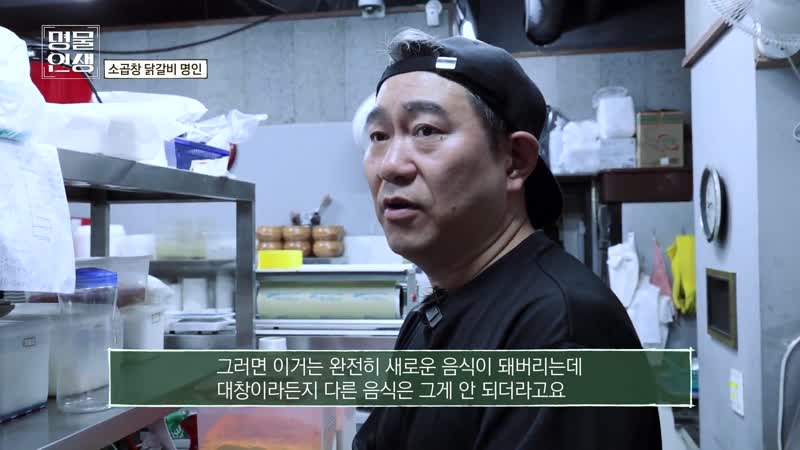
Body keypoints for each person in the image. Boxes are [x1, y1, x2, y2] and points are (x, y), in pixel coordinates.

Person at [352, 29, 661, 450]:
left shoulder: (562, 332)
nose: (390, 166)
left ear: (514, 161)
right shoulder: (435, 313)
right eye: (378, 136)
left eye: (425, 130)